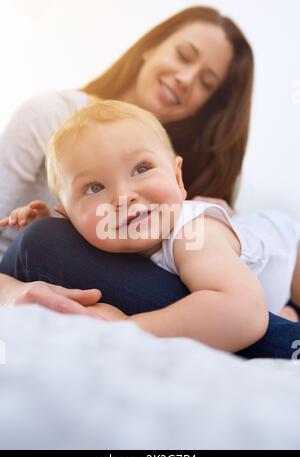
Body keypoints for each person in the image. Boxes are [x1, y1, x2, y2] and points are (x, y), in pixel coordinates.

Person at [0, 6, 299, 358]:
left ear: (178, 176)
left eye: (207, 82)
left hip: (282, 248)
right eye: (94, 188)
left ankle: (285, 323)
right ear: (151, 46)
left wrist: (122, 331)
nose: (125, 196)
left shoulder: (190, 229)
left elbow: (244, 313)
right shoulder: (53, 114)